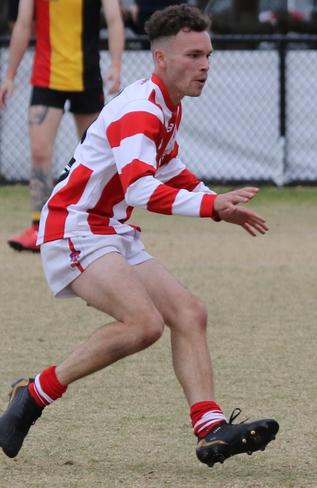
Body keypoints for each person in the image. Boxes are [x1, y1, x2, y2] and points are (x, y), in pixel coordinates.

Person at [0, 4, 278, 467]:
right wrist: (211, 205)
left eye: (208, 54)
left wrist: (215, 202)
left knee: (189, 312)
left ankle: (211, 428)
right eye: (193, 55)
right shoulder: (140, 109)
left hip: (108, 227)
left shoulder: (168, 106)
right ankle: (34, 393)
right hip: (75, 225)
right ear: (161, 60)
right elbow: (142, 188)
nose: (205, 65)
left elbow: (168, 169)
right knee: (144, 324)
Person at [1, 0, 124, 253]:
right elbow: (23, 25)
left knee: (99, 156)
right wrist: (10, 76)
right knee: (39, 153)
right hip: (46, 78)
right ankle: (39, 228)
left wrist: (116, 64)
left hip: (87, 76)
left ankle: (101, 223)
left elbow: (114, 20)